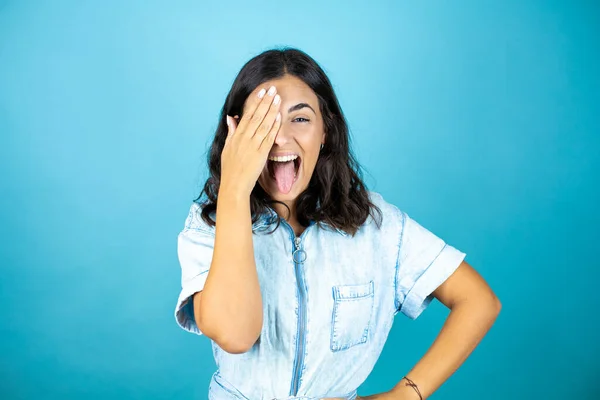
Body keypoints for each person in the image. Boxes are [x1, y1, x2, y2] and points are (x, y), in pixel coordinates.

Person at [174, 48, 501, 400]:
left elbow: (478, 301)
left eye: (299, 118)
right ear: (236, 131)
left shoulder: (377, 224)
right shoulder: (208, 225)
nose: (280, 138)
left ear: (325, 130)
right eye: (262, 121)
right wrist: (234, 190)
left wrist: (406, 395)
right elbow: (235, 334)